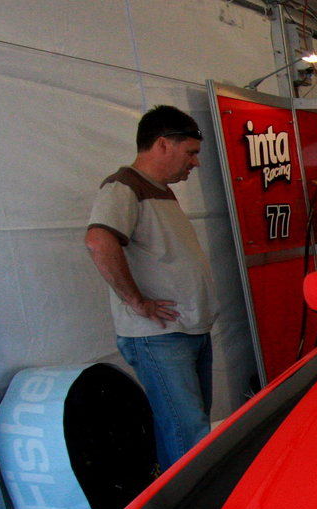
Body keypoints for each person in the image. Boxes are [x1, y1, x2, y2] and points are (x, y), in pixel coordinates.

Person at [84, 105, 218, 470]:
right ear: (162, 144)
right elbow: (99, 241)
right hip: (159, 335)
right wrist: (137, 302)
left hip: (185, 330)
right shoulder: (123, 187)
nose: (195, 162)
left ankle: (173, 500)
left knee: (185, 428)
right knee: (188, 432)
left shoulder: (158, 190)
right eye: (190, 152)